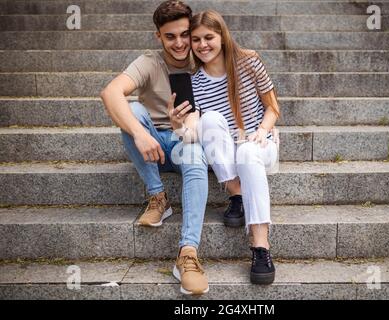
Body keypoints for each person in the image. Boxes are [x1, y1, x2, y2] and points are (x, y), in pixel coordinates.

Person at [100, 0, 209, 295]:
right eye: (170, 36)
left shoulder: (204, 57)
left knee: (195, 152)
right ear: (158, 36)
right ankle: (158, 197)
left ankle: (188, 253)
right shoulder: (149, 61)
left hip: (188, 142)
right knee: (132, 111)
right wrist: (139, 133)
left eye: (185, 34)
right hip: (153, 147)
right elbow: (110, 92)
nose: (179, 43)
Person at [190, 10, 280, 285]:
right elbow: (196, 129)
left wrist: (262, 131)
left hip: (258, 144)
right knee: (211, 119)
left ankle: (260, 247)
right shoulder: (194, 81)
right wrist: (178, 123)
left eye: (209, 37)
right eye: (196, 39)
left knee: (247, 152)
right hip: (226, 153)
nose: (203, 45)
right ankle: (236, 192)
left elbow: (273, 107)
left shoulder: (249, 62)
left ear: (222, 36)